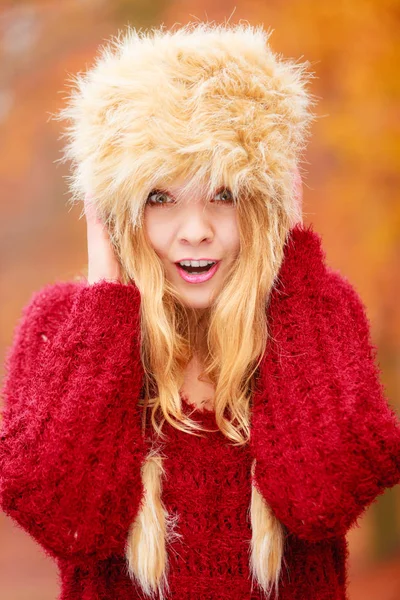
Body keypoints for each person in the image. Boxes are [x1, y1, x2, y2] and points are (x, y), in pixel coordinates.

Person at [1, 21, 399, 600]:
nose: (196, 231)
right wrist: (104, 295)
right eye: (159, 198)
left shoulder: (317, 312)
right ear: (115, 210)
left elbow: (322, 496)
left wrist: (291, 266)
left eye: (225, 193)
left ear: (266, 203)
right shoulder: (63, 326)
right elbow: (70, 517)